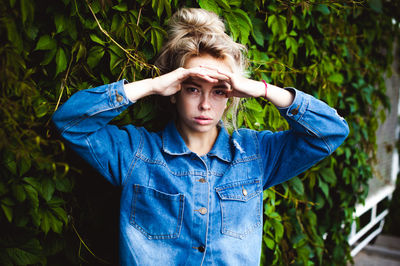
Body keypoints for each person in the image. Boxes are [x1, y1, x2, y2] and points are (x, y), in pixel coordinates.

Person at [52, 8, 349, 266]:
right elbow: (70, 122)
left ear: (232, 95)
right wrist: (154, 84)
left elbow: (330, 131)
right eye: (193, 88)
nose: (206, 105)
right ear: (174, 91)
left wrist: (262, 90)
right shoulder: (136, 153)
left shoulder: (256, 156)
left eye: (219, 91)